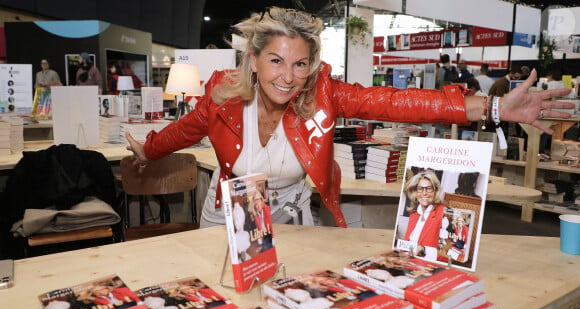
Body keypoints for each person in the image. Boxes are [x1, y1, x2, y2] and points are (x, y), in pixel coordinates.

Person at [124, 6, 574, 231]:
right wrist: (148, 149)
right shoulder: (221, 95)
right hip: (227, 220)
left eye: (300, 64)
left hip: (293, 218)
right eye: (277, 61)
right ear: (255, 60)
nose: (288, 77)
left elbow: (396, 103)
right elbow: (181, 132)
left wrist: (492, 107)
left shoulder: (322, 93)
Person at [402, 170, 445, 259]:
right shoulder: (414, 214)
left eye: (429, 188)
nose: (424, 193)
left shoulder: (443, 213)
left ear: (435, 191)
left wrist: (424, 249)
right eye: (420, 189)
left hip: (428, 266)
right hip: (408, 261)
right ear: (415, 192)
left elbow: (446, 254)